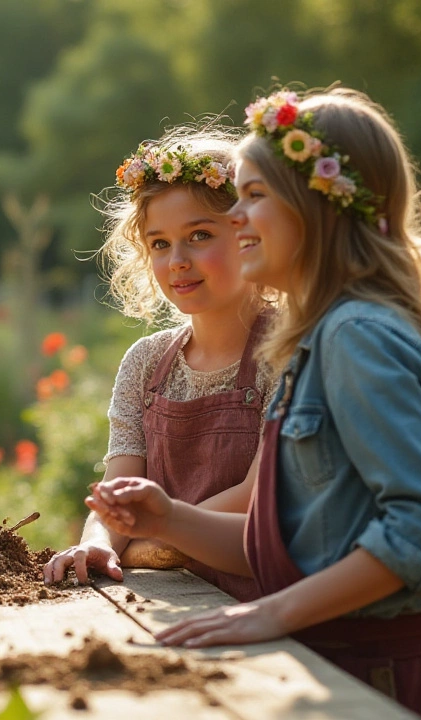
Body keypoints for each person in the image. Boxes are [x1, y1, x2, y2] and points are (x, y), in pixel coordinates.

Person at [88, 88, 421, 718]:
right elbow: (290, 545)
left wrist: (267, 612)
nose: (236, 216)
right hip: (324, 668)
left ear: (318, 204)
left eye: (254, 196)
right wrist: (164, 519)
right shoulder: (318, 339)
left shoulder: (356, 336)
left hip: (376, 683)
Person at [43, 129, 275, 601]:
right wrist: (99, 544)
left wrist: (153, 537)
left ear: (249, 234)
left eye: (200, 236)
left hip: (261, 604)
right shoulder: (146, 363)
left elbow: (257, 496)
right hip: (165, 602)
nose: (178, 261)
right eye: (160, 243)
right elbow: (118, 490)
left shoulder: (288, 351)